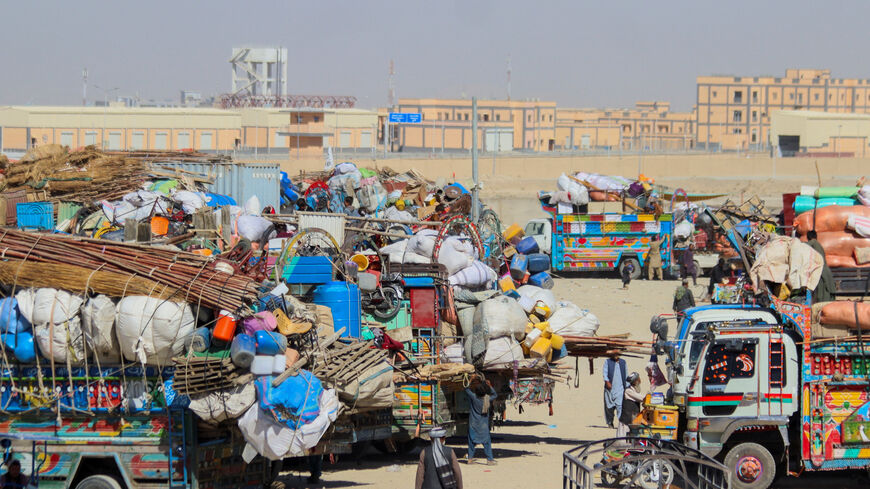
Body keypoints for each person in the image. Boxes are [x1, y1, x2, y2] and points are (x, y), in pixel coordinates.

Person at [464, 377, 498, 465]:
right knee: (486, 442)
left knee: (471, 442)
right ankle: (489, 460)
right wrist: (490, 386)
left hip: (473, 424)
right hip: (483, 425)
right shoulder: (487, 399)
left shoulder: (474, 397)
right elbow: (495, 395)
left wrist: (470, 380)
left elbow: (466, 389)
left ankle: (470, 459)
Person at [806, 230, 836, 302]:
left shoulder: (814, 242)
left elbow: (804, 246)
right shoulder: (818, 245)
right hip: (824, 271)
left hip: (821, 272)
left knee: (822, 293)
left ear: (808, 237)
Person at [616, 372, 646, 438]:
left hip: (633, 420)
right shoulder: (628, 391)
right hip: (626, 421)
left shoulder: (634, 391)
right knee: (623, 441)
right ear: (636, 382)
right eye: (639, 380)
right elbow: (641, 398)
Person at [602, 352, 627, 429]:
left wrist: (627, 386)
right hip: (610, 389)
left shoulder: (623, 362)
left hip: (620, 388)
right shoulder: (608, 362)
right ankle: (610, 422)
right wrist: (607, 381)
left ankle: (620, 423)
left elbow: (626, 374)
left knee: (620, 406)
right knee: (609, 407)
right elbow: (605, 373)